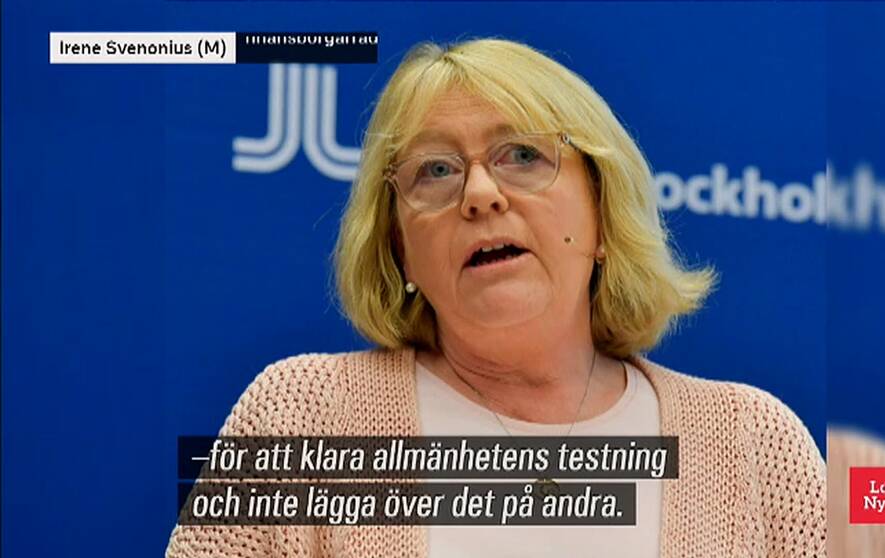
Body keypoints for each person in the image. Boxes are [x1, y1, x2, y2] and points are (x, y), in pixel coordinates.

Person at [167, 38, 826, 557]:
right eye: (436, 170)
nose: (480, 194)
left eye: (523, 156)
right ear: (401, 248)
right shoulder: (303, 415)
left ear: (603, 213)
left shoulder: (755, 444)